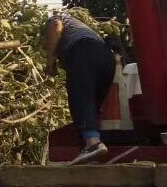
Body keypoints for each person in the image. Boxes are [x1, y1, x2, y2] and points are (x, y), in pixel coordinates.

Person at [43, 12, 116, 164]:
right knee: (92, 105)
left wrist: (50, 61)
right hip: (107, 58)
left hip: (84, 52)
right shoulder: (81, 29)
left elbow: (54, 25)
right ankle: (91, 151)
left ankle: (92, 144)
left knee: (80, 98)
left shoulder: (57, 18)